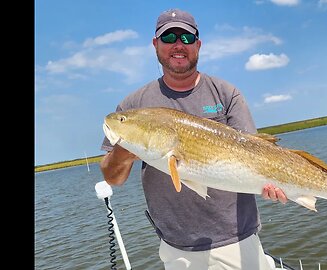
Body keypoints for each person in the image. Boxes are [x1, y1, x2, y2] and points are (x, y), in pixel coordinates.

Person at [100, 8, 288, 270]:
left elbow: (255, 152)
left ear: (198, 45)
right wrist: (125, 148)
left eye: (186, 38)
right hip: (176, 247)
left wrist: (276, 183)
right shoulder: (133, 105)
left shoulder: (226, 93)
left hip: (238, 240)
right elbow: (113, 178)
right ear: (155, 44)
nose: (178, 45)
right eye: (169, 38)